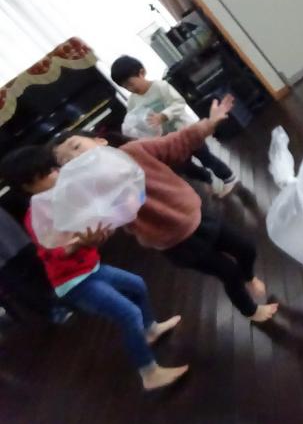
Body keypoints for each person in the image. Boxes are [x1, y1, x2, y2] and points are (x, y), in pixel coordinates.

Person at [50, 95, 278, 325]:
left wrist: (209, 124)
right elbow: (103, 226)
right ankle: (251, 312)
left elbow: (176, 142)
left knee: (246, 248)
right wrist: (90, 240)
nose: (74, 157)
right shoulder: (93, 194)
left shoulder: (133, 152)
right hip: (175, 243)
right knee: (228, 272)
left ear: (100, 142)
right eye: (65, 161)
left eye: (76, 147)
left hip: (197, 217)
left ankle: (249, 277)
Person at [0, 146, 187, 391]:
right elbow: (51, 252)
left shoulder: (65, 199)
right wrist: (77, 246)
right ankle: (149, 373)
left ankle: (150, 330)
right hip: (73, 283)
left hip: (91, 269)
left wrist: (99, 234)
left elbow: (93, 224)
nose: (55, 174)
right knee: (128, 313)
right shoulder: (36, 217)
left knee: (137, 285)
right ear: (28, 186)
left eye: (53, 168)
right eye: (44, 174)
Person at [110, 55, 238, 197]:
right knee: (185, 166)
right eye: (125, 87)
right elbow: (134, 118)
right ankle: (206, 182)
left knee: (205, 157)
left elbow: (179, 103)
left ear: (142, 72)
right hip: (169, 140)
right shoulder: (132, 101)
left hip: (186, 130)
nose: (130, 88)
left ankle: (228, 178)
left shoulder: (160, 87)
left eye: (130, 83)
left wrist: (163, 116)